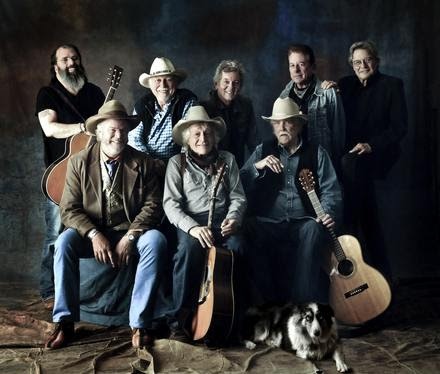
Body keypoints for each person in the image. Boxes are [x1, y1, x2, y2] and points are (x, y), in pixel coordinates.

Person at [45, 100, 168, 349]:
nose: (118, 135)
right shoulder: (79, 161)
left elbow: (153, 206)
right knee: (64, 242)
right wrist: (92, 234)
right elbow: (69, 208)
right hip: (92, 232)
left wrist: (132, 235)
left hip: (129, 230)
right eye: (111, 130)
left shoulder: (144, 163)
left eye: (122, 130)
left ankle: (140, 323)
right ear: (99, 132)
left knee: (156, 241)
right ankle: (65, 322)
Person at [240, 97, 342, 305]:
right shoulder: (262, 150)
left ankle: (301, 305)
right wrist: (256, 167)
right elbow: (238, 183)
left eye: (288, 122)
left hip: (302, 222)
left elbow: (331, 192)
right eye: (277, 123)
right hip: (268, 222)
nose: (282, 127)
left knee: (313, 229)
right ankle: (267, 305)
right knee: (247, 229)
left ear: (298, 124)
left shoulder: (317, 153)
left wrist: (328, 212)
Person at [163, 105, 246, 342]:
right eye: (197, 134)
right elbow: (171, 205)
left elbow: (238, 196)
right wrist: (193, 228)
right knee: (187, 251)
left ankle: (234, 319)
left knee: (239, 248)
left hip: (223, 222)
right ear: (187, 137)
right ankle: (179, 322)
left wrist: (234, 218)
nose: (202, 138)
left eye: (207, 133)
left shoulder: (228, 160)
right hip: (191, 224)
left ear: (215, 136)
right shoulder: (175, 163)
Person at [35, 44, 105, 309]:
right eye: (65, 59)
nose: (71, 62)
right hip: (60, 175)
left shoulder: (95, 92)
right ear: (56, 66)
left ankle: (86, 291)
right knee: (56, 234)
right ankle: (49, 291)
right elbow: (49, 127)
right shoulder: (48, 94)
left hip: (93, 175)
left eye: (75, 58)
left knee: (90, 231)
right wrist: (83, 127)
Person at [338, 40, 408, 281]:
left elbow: (399, 128)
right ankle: (374, 274)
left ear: (376, 61)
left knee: (353, 200)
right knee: (350, 171)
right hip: (351, 158)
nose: (362, 65)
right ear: (352, 65)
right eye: (357, 62)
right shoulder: (344, 86)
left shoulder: (392, 85)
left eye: (367, 60)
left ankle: (349, 235)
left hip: (379, 155)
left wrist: (371, 146)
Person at [279, 44, 345, 168]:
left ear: (313, 67)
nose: (296, 70)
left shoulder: (328, 93)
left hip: (322, 164)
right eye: (292, 65)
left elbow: (338, 135)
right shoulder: (284, 96)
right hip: (294, 164)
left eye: (301, 64)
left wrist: (334, 168)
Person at [128, 57, 197, 162]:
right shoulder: (142, 105)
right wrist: (151, 163)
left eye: (168, 79)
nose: (163, 85)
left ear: (176, 82)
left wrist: (177, 165)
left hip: (177, 164)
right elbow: (134, 140)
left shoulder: (186, 101)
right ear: (150, 84)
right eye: (158, 80)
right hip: (148, 163)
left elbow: (190, 139)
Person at [200, 60, 258, 167]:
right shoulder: (203, 108)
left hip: (237, 167)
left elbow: (254, 141)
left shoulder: (246, 105)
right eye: (226, 82)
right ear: (216, 84)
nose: (231, 87)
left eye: (236, 82)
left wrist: (261, 161)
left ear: (240, 86)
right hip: (210, 168)